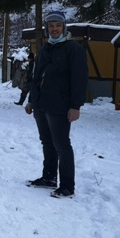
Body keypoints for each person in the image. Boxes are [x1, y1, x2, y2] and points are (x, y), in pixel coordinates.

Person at [25, 11, 88, 198]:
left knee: (62, 145)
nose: (54, 29)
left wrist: (76, 106)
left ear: (64, 27)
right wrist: (31, 100)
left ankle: (67, 186)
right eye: (51, 26)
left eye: (58, 26)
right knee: (47, 142)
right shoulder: (45, 48)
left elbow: (80, 79)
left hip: (60, 105)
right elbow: (37, 76)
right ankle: (49, 177)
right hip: (41, 104)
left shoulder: (73, 48)